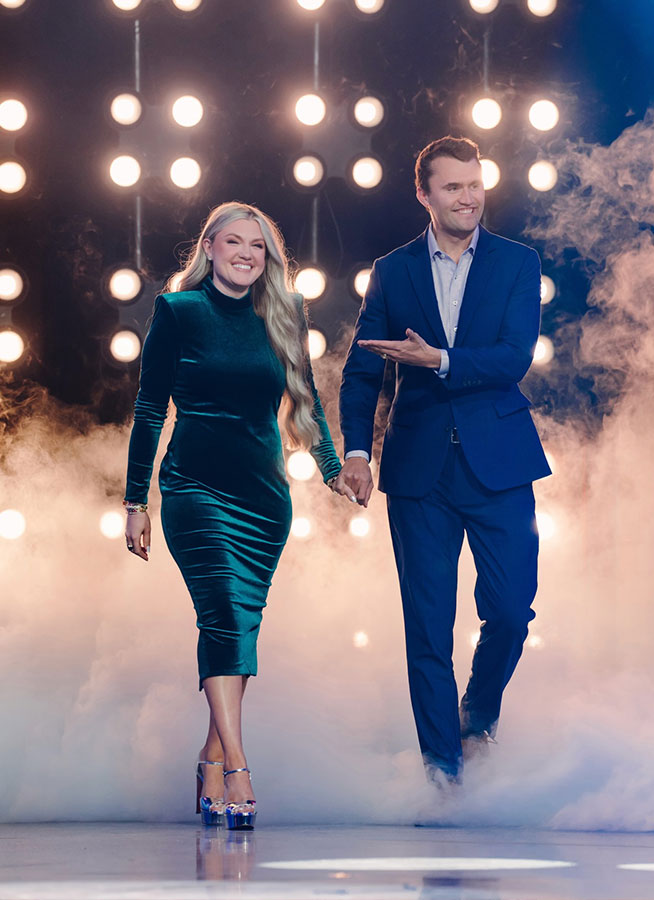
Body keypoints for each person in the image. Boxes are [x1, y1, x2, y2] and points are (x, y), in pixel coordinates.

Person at [123, 201, 354, 829]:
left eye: (258, 245)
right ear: (211, 248)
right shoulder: (179, 311)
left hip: (262, 497)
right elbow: (149, 411)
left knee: (237, 629)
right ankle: (239, 765)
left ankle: (209, 757)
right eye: (234, 242)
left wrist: (333, 471)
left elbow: (304, 401)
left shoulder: (283, 311)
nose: (247, 253)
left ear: (268, 256)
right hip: (195, 489)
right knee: (223, 612)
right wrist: (136, 499)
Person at [336, 136, 551, 784]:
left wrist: (440, 360)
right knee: (428, 627)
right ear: (424, 194)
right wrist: (354, 452)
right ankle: (442, 772)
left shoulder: (517, 262)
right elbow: (361, 373)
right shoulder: (393, 269)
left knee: (512, 610)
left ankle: (477, 715)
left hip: (500, 464)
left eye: (475, 183)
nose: (468, 196)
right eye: (453, 186)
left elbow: (515, 357)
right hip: (417, 470)